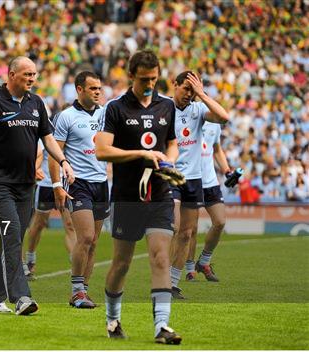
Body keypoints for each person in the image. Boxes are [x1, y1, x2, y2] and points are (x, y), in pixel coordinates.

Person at [0, 56, 74, 315]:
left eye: (34, 74)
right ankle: (21, 297)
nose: (32, 79)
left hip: (26, 184)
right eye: (27, 74)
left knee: (13, 239)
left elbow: (48, 139)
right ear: (11, 75)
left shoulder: (37, 103)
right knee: (12, 233)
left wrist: (64, 161)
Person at [95, 50, 182, 343]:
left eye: (155, 78)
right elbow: (102, 150)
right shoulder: (116, 108)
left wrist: (168, 160)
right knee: (122, 264)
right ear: (131, 76)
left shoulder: (167, 106)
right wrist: (141, 153)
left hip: (159, 195)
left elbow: (172, 143)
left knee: (160, 258)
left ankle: (161, 327)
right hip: (126, 197)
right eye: (144, 79)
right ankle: (112, 318)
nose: (150, 83)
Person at [48, 71, 108, 308]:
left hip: (101, 183)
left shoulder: (106, 115)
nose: (97, 92)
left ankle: (84, 291)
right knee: (84, 237)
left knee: (94, 242)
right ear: (80, 90)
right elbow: (55, 153)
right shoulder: (66, 117)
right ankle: (76, 291)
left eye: (99, 89)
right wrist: (56, 185)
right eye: (93, 88)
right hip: (78, 183)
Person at [168, 71, 229, 299]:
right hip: (171, 176)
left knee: (186, 233)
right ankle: (163, 276)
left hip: (193, 179)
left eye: (192, 90)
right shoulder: (163, 108)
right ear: (174, 85)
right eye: (185, 88)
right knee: (173, 227)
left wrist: (202, 94)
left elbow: (224, 117)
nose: (188, 94)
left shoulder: (198, 109)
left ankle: (172, 284)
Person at [23, 138, 77, 281]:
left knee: (70, 225)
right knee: (39, 224)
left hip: (65, 184)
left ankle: (76, 263)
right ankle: (30, 257)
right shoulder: (46, 131)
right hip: (46, 183)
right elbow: (38, 152)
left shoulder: (69, 127)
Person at [185, 122, 232, 282]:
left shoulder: (215, 125)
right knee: (191, 229)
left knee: (220, 222)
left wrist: (227, 171)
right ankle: (190, 269)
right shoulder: (185, 118)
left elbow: (217, 149)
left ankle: (203, 262)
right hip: (192, 180)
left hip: (211, 182)